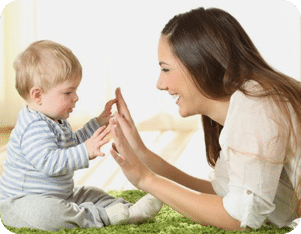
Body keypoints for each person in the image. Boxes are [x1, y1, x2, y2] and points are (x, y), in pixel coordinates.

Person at [109, 7, 301, 231]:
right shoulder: (248, 102)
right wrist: (141, 154)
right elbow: (225, 194)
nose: (160, 84)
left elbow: (239, 217)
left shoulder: (258, 104)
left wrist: (146, 180)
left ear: (199, 64)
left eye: (166, 69)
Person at [0, 40, 162, 231]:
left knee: (91, 193)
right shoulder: (32, 126)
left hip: (61, 194)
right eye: (68, 92)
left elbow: (72, 143)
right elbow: (49, 162)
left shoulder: (55, 120)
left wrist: (97, 123)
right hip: (23, 202)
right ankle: (104, 216)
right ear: (38, 95)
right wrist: (85, 151)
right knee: (50, 215)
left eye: (75, 91)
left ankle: (128, 210)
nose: (75, 97)